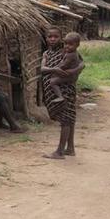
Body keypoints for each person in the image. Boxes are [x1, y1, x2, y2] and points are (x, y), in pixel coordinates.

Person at [40, 27, 86, 159]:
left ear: (61, 38)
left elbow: (82, 64)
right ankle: (70, 148)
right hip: (52, 88)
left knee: (66, 118)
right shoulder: (46, 54)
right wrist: (54, 69)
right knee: (69, 118)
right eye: (50, 36)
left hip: (66, 88)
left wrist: (73, 71)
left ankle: (59, 152)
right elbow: (42, 69)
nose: (52, 39)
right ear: (46, 38)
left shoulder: (66, 51)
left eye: (55, 36)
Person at [48, 32, 83, 103]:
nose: (67, 46)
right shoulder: (71, 52)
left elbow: (64, 65)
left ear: (77, 45)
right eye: (66, 44)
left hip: (70, 76)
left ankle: (60, 97)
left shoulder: (71, 55)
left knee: (53, 82)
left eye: (70, 44)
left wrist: (56, 68)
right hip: (71, 74)